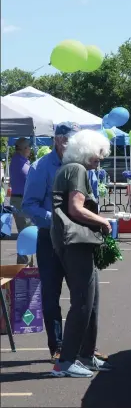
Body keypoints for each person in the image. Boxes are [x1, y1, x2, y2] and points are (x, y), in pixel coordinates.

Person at [22, 122, 107, 364]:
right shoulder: (40, 167)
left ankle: (85, 350)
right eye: (71, 138)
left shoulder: (84, 166)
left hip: (79, 240)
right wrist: (59, 220)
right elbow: (29, 205)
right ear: (59, 140)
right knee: (52, 295)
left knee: (87, 296)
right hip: (50, 239)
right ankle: (58, 347)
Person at [50, 129, 113, 378]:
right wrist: (103, 221)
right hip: (75, 241)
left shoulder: (69, 169)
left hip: (73, 241)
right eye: (97, 157)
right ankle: (66, 362)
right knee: (83, 302)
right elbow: (75, 209)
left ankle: (85, 356)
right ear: (86, 152)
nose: (99, 162)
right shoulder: (76, 170)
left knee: (92, 301)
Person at [9, 137, 33, 263]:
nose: (30, 149)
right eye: (28, 147)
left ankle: (24, 264)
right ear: (24, 149)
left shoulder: (18, 160)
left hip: (18, 199)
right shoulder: (21, 163)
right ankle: (23, 265)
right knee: (26, 233)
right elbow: (29, 181)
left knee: (25, 232)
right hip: (21, 200)